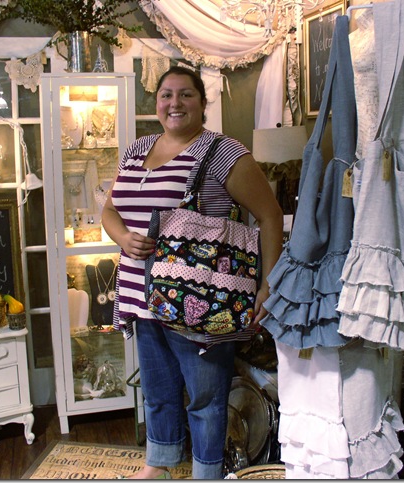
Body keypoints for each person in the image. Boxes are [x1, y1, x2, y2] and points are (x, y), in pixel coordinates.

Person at [101, 65, 283, 480]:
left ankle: (207, 473)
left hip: (199, 297)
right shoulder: (138, 149)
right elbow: (109, 210)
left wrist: (268, 284)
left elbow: (270, 215)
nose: (175, 103)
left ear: (203, 102)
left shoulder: (223, 152)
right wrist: (123, 238)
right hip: (141, 295)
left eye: (186, 94)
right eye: (166, 95)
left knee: (206, 399)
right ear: (156, 103)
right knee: (158, 391)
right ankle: (158, 463)